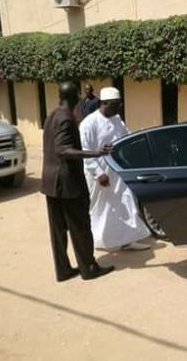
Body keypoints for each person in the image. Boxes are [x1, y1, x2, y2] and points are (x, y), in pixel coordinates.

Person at [41, 81, 114, 282]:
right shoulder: (66, 118)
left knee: (59, 230)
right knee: (80, 226)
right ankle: (89, 268)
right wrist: (95, 152)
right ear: (75, 97)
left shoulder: (52, 115)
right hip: (67, 182)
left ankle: (63, 270)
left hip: (50, 181)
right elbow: (63, 150)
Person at [79, 87, 151, 251]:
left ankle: (127, 240)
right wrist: (99, 174)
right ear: (104, 103)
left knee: (125, 204)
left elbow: (126, 137)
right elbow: (85, 150)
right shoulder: (88, 123)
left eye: (119, 104)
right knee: (102, 209)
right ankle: (98, 242)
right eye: (115, 104)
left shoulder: (117, 119)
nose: (119, 107)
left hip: (118, 172)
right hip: (100, 174)